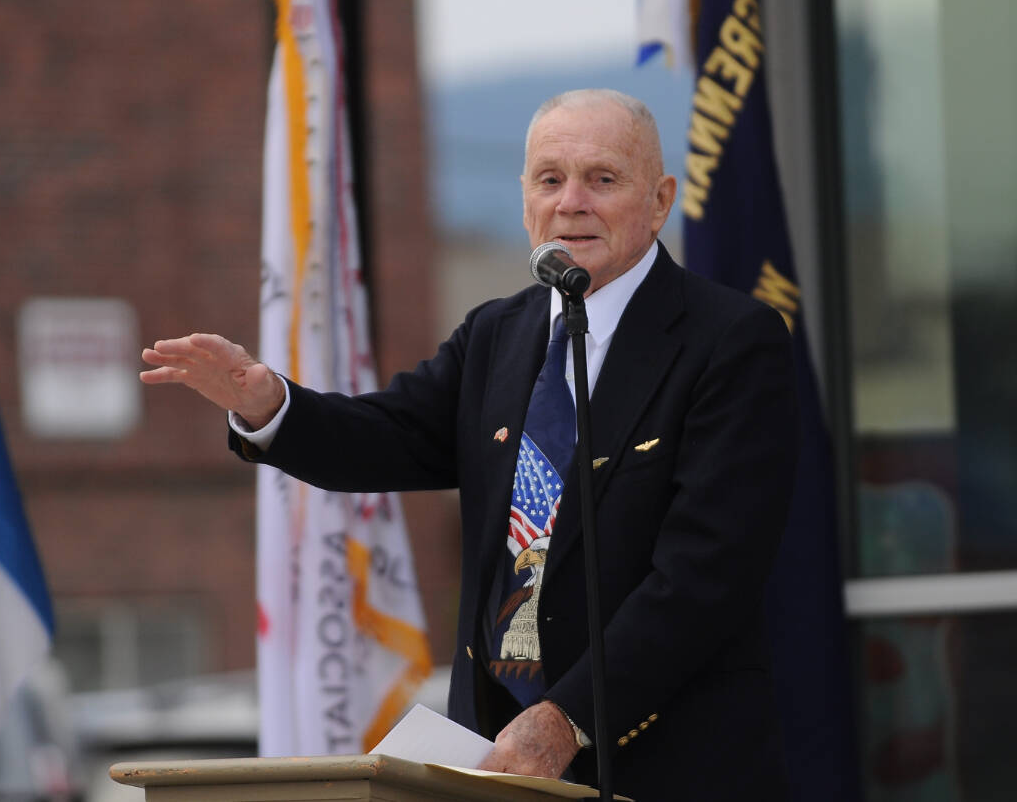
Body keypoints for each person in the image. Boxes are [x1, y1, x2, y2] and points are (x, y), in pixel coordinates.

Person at [141, 89, 799, 800]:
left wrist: (566, 718)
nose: (571, 201)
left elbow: (705, 578)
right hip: (492, 764)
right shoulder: (497, 335)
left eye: (602, 179)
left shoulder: (731, 343)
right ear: (524, 199)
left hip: (666, 766)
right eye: (549, 179)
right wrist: (268, 402)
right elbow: (384, 436)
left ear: (661, 198)